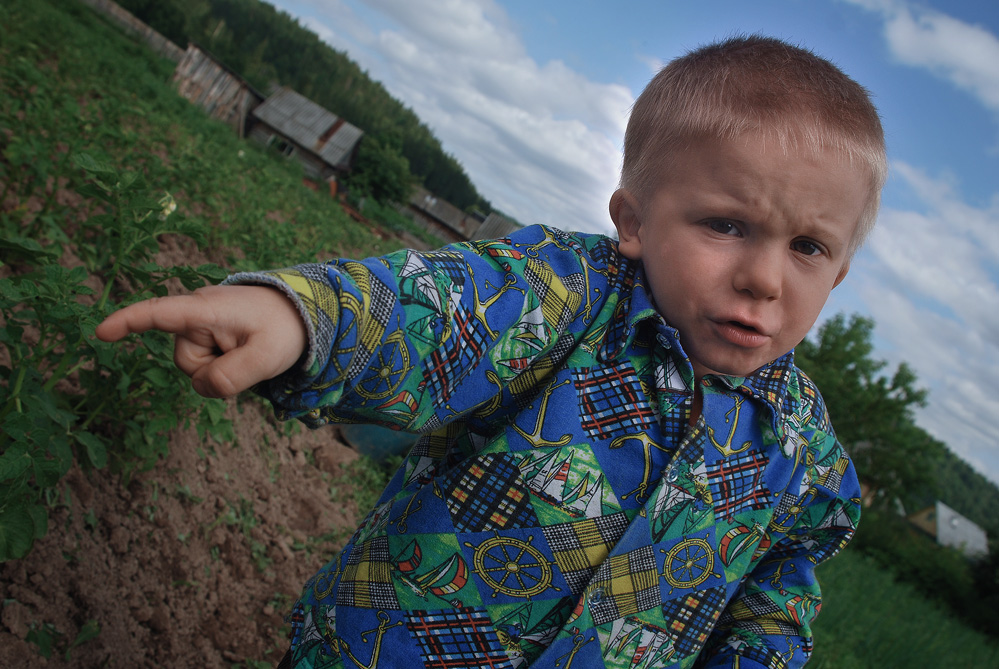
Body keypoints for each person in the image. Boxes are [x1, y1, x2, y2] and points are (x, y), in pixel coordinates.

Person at [97, 34, 883, 669]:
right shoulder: (573, 296)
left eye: (808, 247)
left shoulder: (801, 447)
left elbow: (777, 580)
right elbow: (443, 311)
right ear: (635, 220)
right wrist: (301, 318)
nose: (763, 278)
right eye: (725, 224)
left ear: (839, 271)